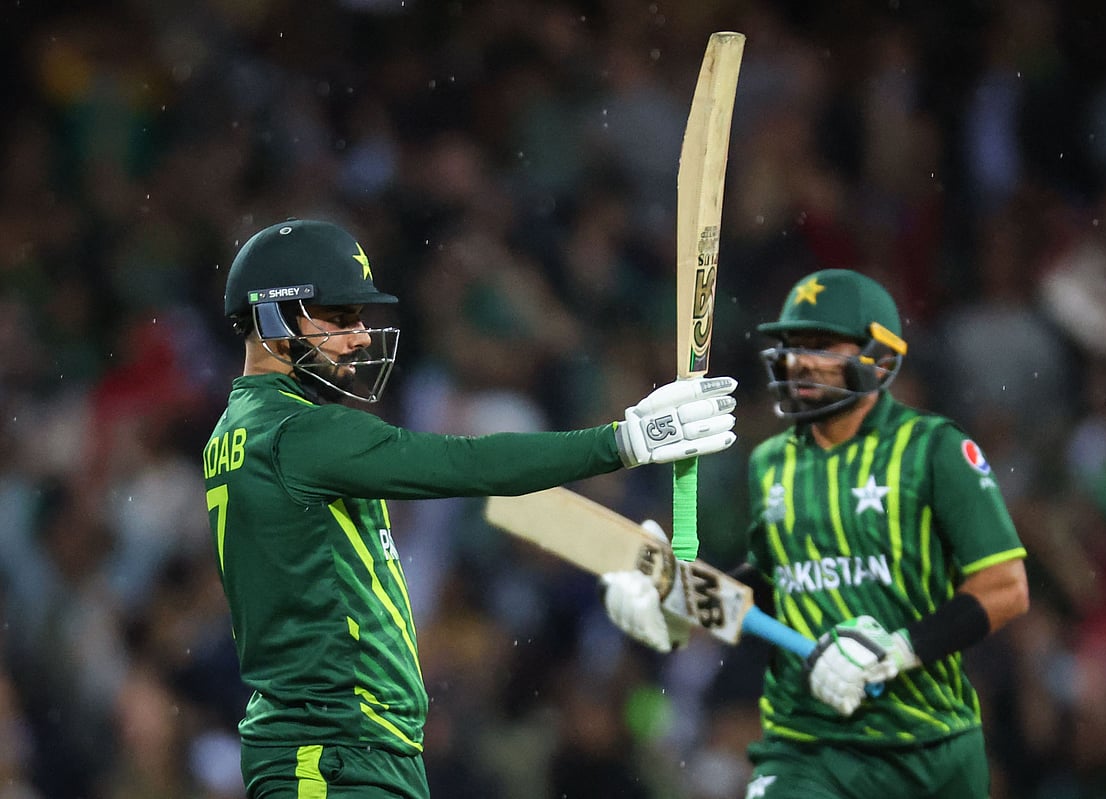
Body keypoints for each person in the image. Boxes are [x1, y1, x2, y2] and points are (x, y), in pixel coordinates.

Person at [202, 218, 739, 799]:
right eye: (337, 318)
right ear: (273, 317)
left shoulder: (237, 432)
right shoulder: (299, 434)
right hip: (331, 753)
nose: (359, 336)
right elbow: (466, 463)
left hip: (343, 747)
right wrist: (624, 441)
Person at [602, 268, 1029, 798]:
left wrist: (895, 651)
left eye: (822, 345)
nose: (800, 361)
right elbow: (768, 590)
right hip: (807, 747)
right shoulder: (770, 464)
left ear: (881, 358)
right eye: (792, 346)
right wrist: (678, 599)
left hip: (928, 747)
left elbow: (1007, 586)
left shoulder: (935, 451)